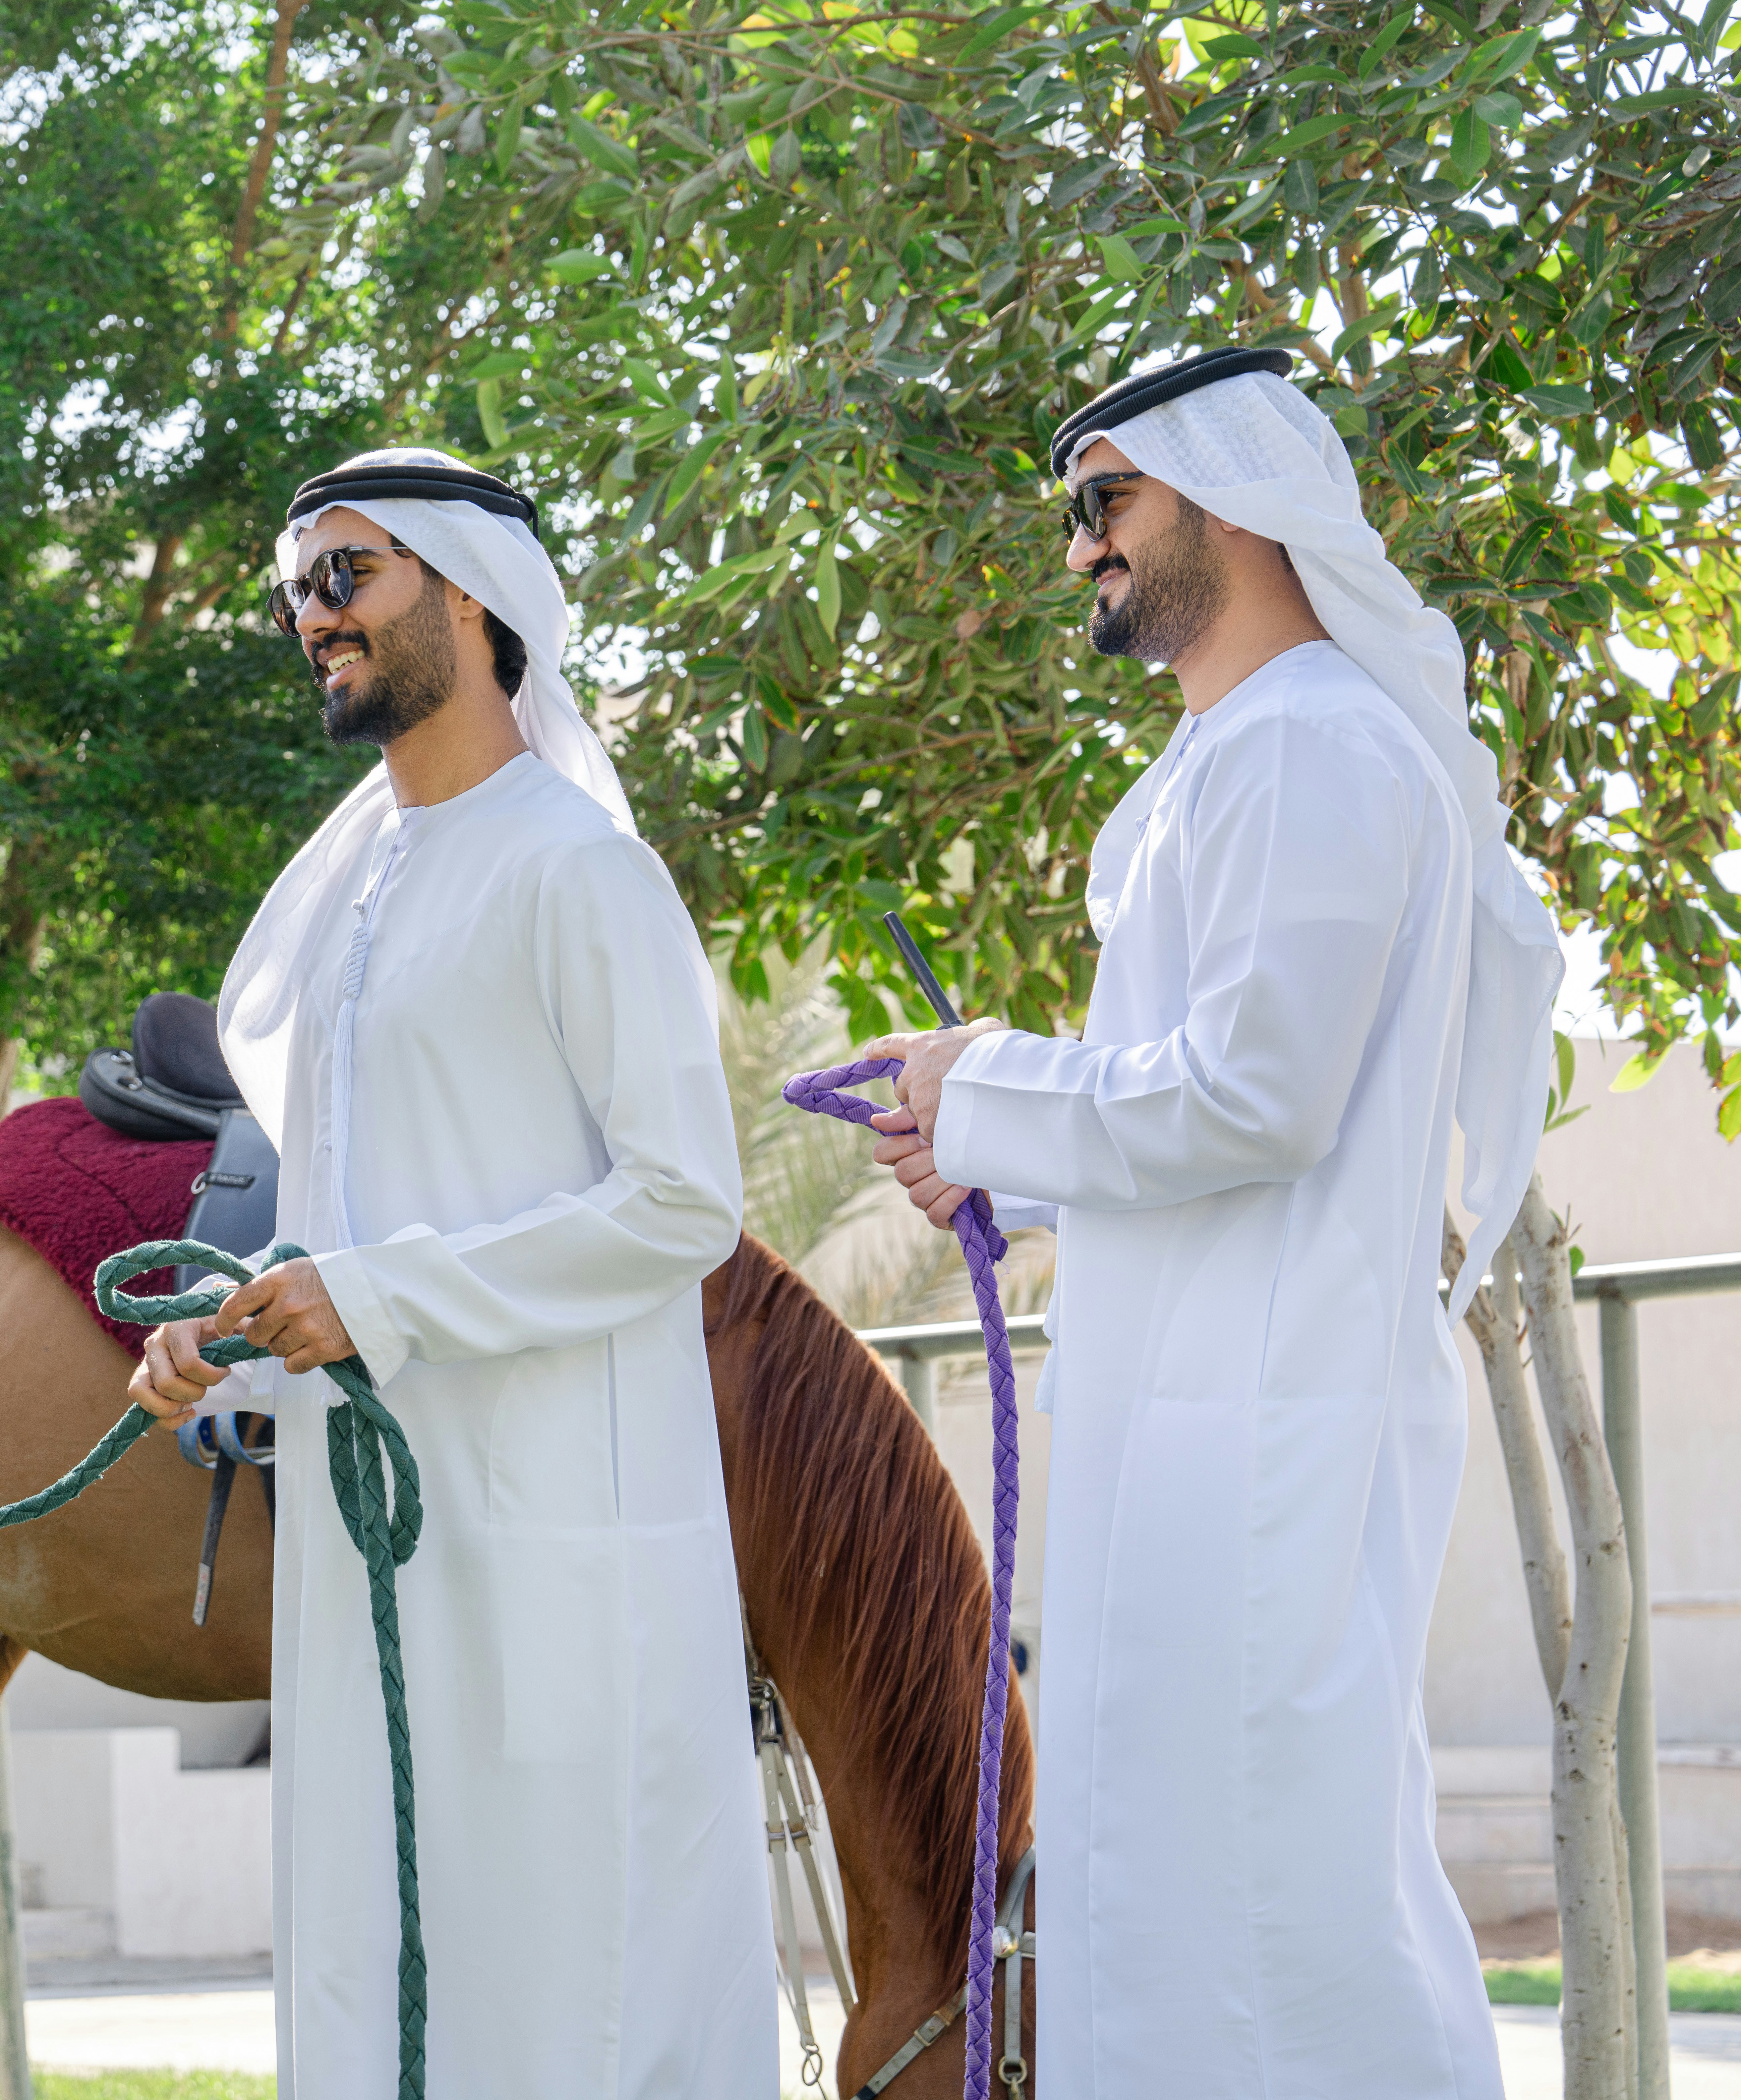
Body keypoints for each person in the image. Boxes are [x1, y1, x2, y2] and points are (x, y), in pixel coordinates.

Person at [864, 347, 1558, 2098]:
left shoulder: (1316, 748)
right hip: (1184, 1444)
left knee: (1287, 1912)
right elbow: (1184, 1095)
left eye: (1109, 502)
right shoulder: (1215, 769)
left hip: (1270, 1443)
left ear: (1231, 499)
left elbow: (1262, 1095)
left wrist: (993, 1082)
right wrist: (985, 1153)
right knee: (1172, 1902)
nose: (1084, 547)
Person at [128, 449, 766, 2097]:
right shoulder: (347, 905)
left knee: (569, 1986)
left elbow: (687, 1201)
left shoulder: (578, 868)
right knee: (368, 1964)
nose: (311, 618)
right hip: (368, 1539)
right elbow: (347, 1221)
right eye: (294, 592)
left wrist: (377, 1299)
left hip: (556, 1552)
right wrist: (242, 1333)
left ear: (474, 597)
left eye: (347, 577)